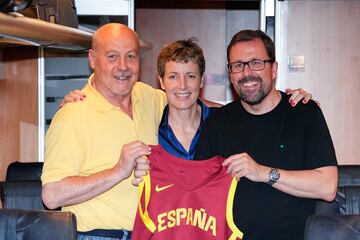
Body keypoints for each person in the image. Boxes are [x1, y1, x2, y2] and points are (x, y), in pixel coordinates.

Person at [194, 29, 338, 240]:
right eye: (238, 65)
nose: (246, 73)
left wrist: (262, 172)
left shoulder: (304, 113)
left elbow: (328, 187)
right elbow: (198, 191)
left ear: (274, 69)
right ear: (230, 74)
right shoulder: (217, 122)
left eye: (256, 63)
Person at [41, 23, 166, 240]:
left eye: (131, 56)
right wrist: (118, 170)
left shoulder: (148, 97)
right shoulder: (72, 115)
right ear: (92, 59)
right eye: (112, 56)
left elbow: (193, 105)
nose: (123, 66)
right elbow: (52, 195)